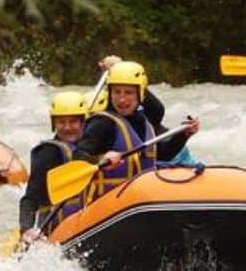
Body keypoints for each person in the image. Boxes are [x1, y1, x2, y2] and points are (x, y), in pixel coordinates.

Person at [71, 60, 199, 198]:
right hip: (107, 203)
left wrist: (183, 135)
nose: (121, 99)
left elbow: (161, 155)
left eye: (128, 93)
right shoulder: (103, 122)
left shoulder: (142, 121)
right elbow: (78, 156)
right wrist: (100, 160)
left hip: (139, 198)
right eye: (116, 92)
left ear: (140, 94)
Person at [19, 91, 90, 242]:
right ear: (53, 124)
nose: (67, 127)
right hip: (57, 228)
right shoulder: (48, 153)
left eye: (73, 121)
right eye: (61, 122)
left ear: (83, 122)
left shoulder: (91, 148)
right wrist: (27, 228)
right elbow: (30, 198)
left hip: (88, 221)